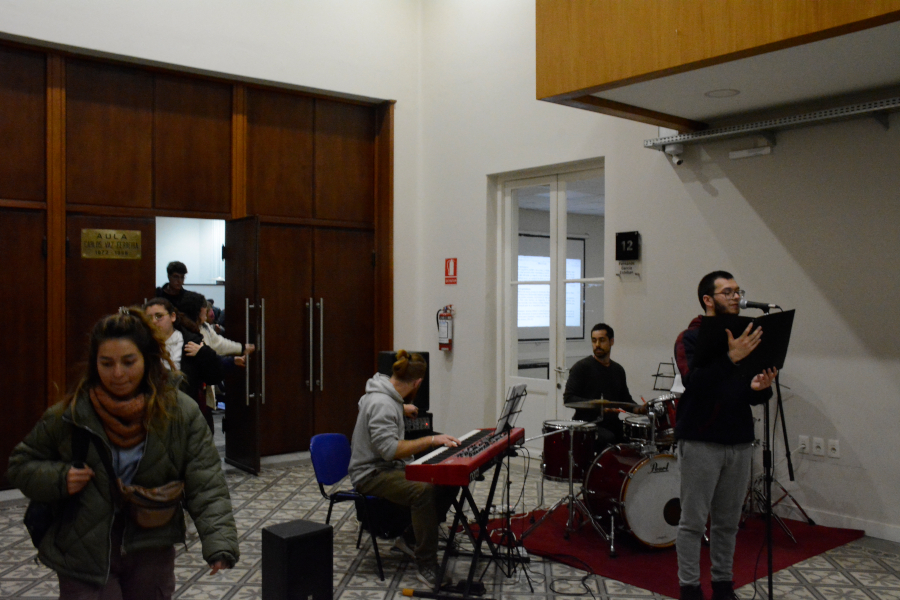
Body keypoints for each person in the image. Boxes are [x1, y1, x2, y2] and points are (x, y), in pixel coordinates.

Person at [8, 307, 239, 600]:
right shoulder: (71, 415)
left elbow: (206, 482)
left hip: (151, 548)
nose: (117, 373)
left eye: (128, 362)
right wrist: (60, 477)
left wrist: (219, 543)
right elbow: (21, 465)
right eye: (107, 363)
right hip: (84, 549)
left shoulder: (179, 413)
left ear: (148, 359)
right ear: (95, 364)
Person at [674, 271, 777, 600]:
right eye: (728, 292)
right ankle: (690, 588)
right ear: (708, 299)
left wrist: (760, 388)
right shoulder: (690, 338)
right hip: (701, 439)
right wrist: (731, 357)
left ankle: (723, 586)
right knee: (693, 522)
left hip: (739, 439)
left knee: (728, 522)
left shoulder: (745, 337)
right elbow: (694, 382)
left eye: (738, 291)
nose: (736, 297)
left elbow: (745, 394)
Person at [348, 350, 460, 588]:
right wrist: (431, 440)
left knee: (446, 480)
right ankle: (426, 565)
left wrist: (400, 407)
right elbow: (389, 450)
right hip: (370, 474)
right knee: (423, 491)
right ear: (418, 382)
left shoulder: (382, 389)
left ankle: (409, 539)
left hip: (386, 467)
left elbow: (364, 403)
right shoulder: (382, 403)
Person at [143, 297, 223, 432]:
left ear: (173, 317)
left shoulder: (190, 342)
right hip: (153, 415)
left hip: (185, 414)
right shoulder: (142, 345)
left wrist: (204, 353)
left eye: (159, 316)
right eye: (149, 318)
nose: (154, 322)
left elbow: (215, 376)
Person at [563, 323, 641, 448]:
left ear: (611, 341)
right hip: (587, 425)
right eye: (594, 340)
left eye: (602, 340)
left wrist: (639, 409)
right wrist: (598, 405)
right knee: (608, 438)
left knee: (635, 439)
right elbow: (568, 399)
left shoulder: (618, 370)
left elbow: (625, 399)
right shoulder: (581, 367)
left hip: (612, 423)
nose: (597, 345)